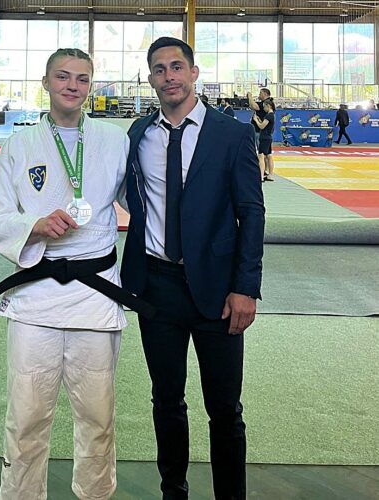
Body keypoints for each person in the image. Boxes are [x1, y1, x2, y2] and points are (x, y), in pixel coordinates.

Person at [0, 48, 132, 500]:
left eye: (82, 79)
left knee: (98, 418)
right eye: (63, 77)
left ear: (90, 86)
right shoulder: (19, 146)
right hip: (36, 297)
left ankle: (95, 494)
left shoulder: (114, 141)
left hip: (95, 296)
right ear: (45, 83)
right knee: (26, 417)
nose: (72, 85)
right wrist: (34, 226)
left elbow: (143, 203)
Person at [121, 37, 265, 500]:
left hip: (219, 292)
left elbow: (251, 212)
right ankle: (173, 491)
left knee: (225, 409)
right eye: (159, 69)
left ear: (194, 72)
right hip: (156, 287)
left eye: (177, 66)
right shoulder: (138, 134)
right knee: (166, 400)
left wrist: (246, 287)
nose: (169, 77)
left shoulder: (231, 134)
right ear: (150, 79)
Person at [253, 100, 276, 181]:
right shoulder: (272, 115)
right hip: (268, 137)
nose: (263, 108)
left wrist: (255, 120)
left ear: (268, 106)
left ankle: (261, 176)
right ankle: (270, 175)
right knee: (269, 155)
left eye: (264, 106)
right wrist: (259, 120)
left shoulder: (268, 116)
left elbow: (261, 127)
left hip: (264, 138)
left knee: (261, 156)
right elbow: (265, 125)